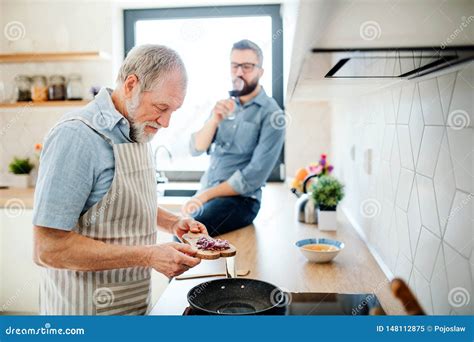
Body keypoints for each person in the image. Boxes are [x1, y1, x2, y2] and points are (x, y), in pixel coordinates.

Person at [33, 44, 207, 315]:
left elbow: (121, 202)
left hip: (132, 307)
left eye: (173, 111)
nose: (166, 122)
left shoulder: (137, 127)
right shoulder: (77, 136)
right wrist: (149, 255)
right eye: (162, 107)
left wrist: (173, 222)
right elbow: (48, 248)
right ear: (131, 85)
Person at [186, 39, 285, 237]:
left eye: (247, 67)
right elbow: (195, 148)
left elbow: (253, 177)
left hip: (242, 201)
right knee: (183, 232)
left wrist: (205, 196)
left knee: (188, 232)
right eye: (235, 66)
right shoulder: (224, 106)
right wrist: (214, 120)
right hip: (208, 194)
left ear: (260, 71)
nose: (239, 73)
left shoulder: (273, 115)